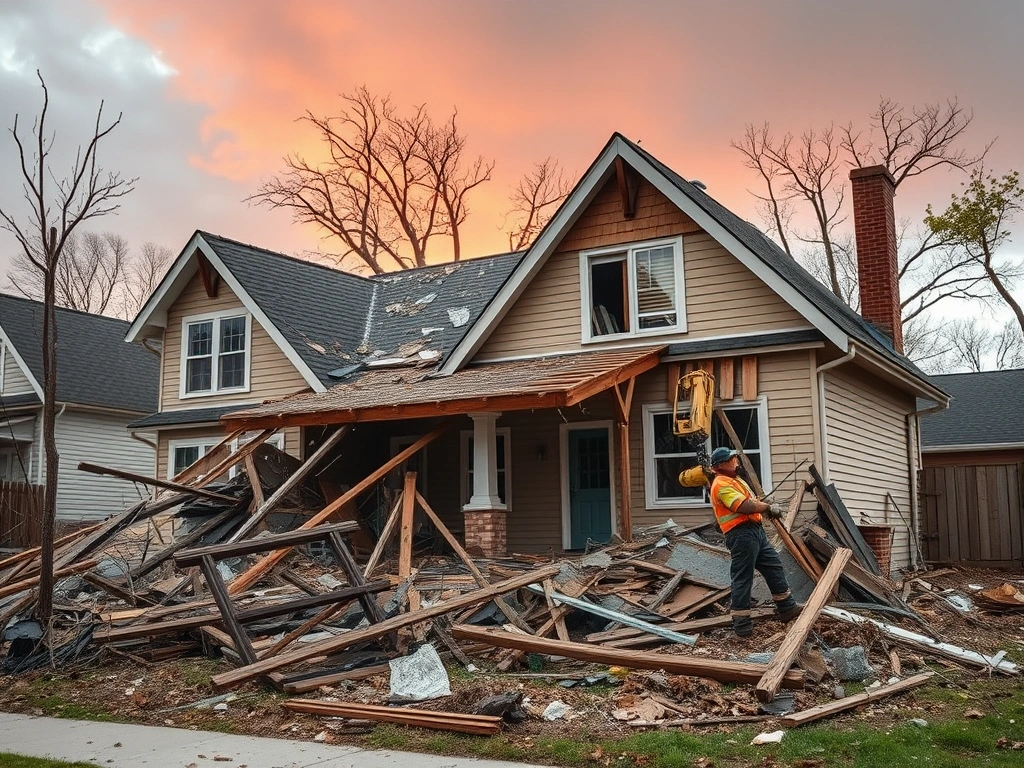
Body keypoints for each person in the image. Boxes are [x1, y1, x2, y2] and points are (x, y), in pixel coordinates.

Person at [707, 447, 801, 637]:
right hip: (741, 534)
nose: (736, 461)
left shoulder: (735, 480)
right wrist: (767, 506)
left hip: (754, 531)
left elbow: (750, 501)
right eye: (732, 458)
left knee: (773, 565)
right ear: (721, 464)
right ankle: (742, 624)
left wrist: (762, 504)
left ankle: (787, 607)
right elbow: (742, 505)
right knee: (743, 577)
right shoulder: (721, 484)